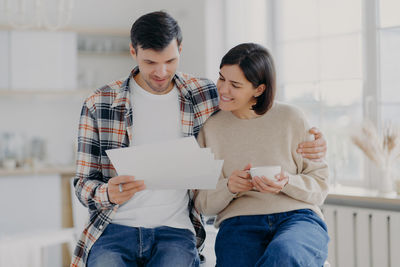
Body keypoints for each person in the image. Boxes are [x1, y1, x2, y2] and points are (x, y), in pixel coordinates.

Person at [71, 11, 327, 267]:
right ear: (133, 52)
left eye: (170, 60)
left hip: (175, 230)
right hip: (115, 227)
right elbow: (83, 184)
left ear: (180, 49)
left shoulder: (202, 94)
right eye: (150, 62)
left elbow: (255, 104)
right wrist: (108, 193)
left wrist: (316, 141)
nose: (162, 72)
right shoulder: (99, 104)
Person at [195, 43, 330, 267]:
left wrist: (287, 182)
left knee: (285, 253)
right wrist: (230, 186)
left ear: (259, 89)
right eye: (221, 78)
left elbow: (320, 186)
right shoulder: (210, 129)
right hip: (239, 223)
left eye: (235, 85)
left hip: (298, 217)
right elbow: (203, 204)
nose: (223, 89)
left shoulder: (291, 118)